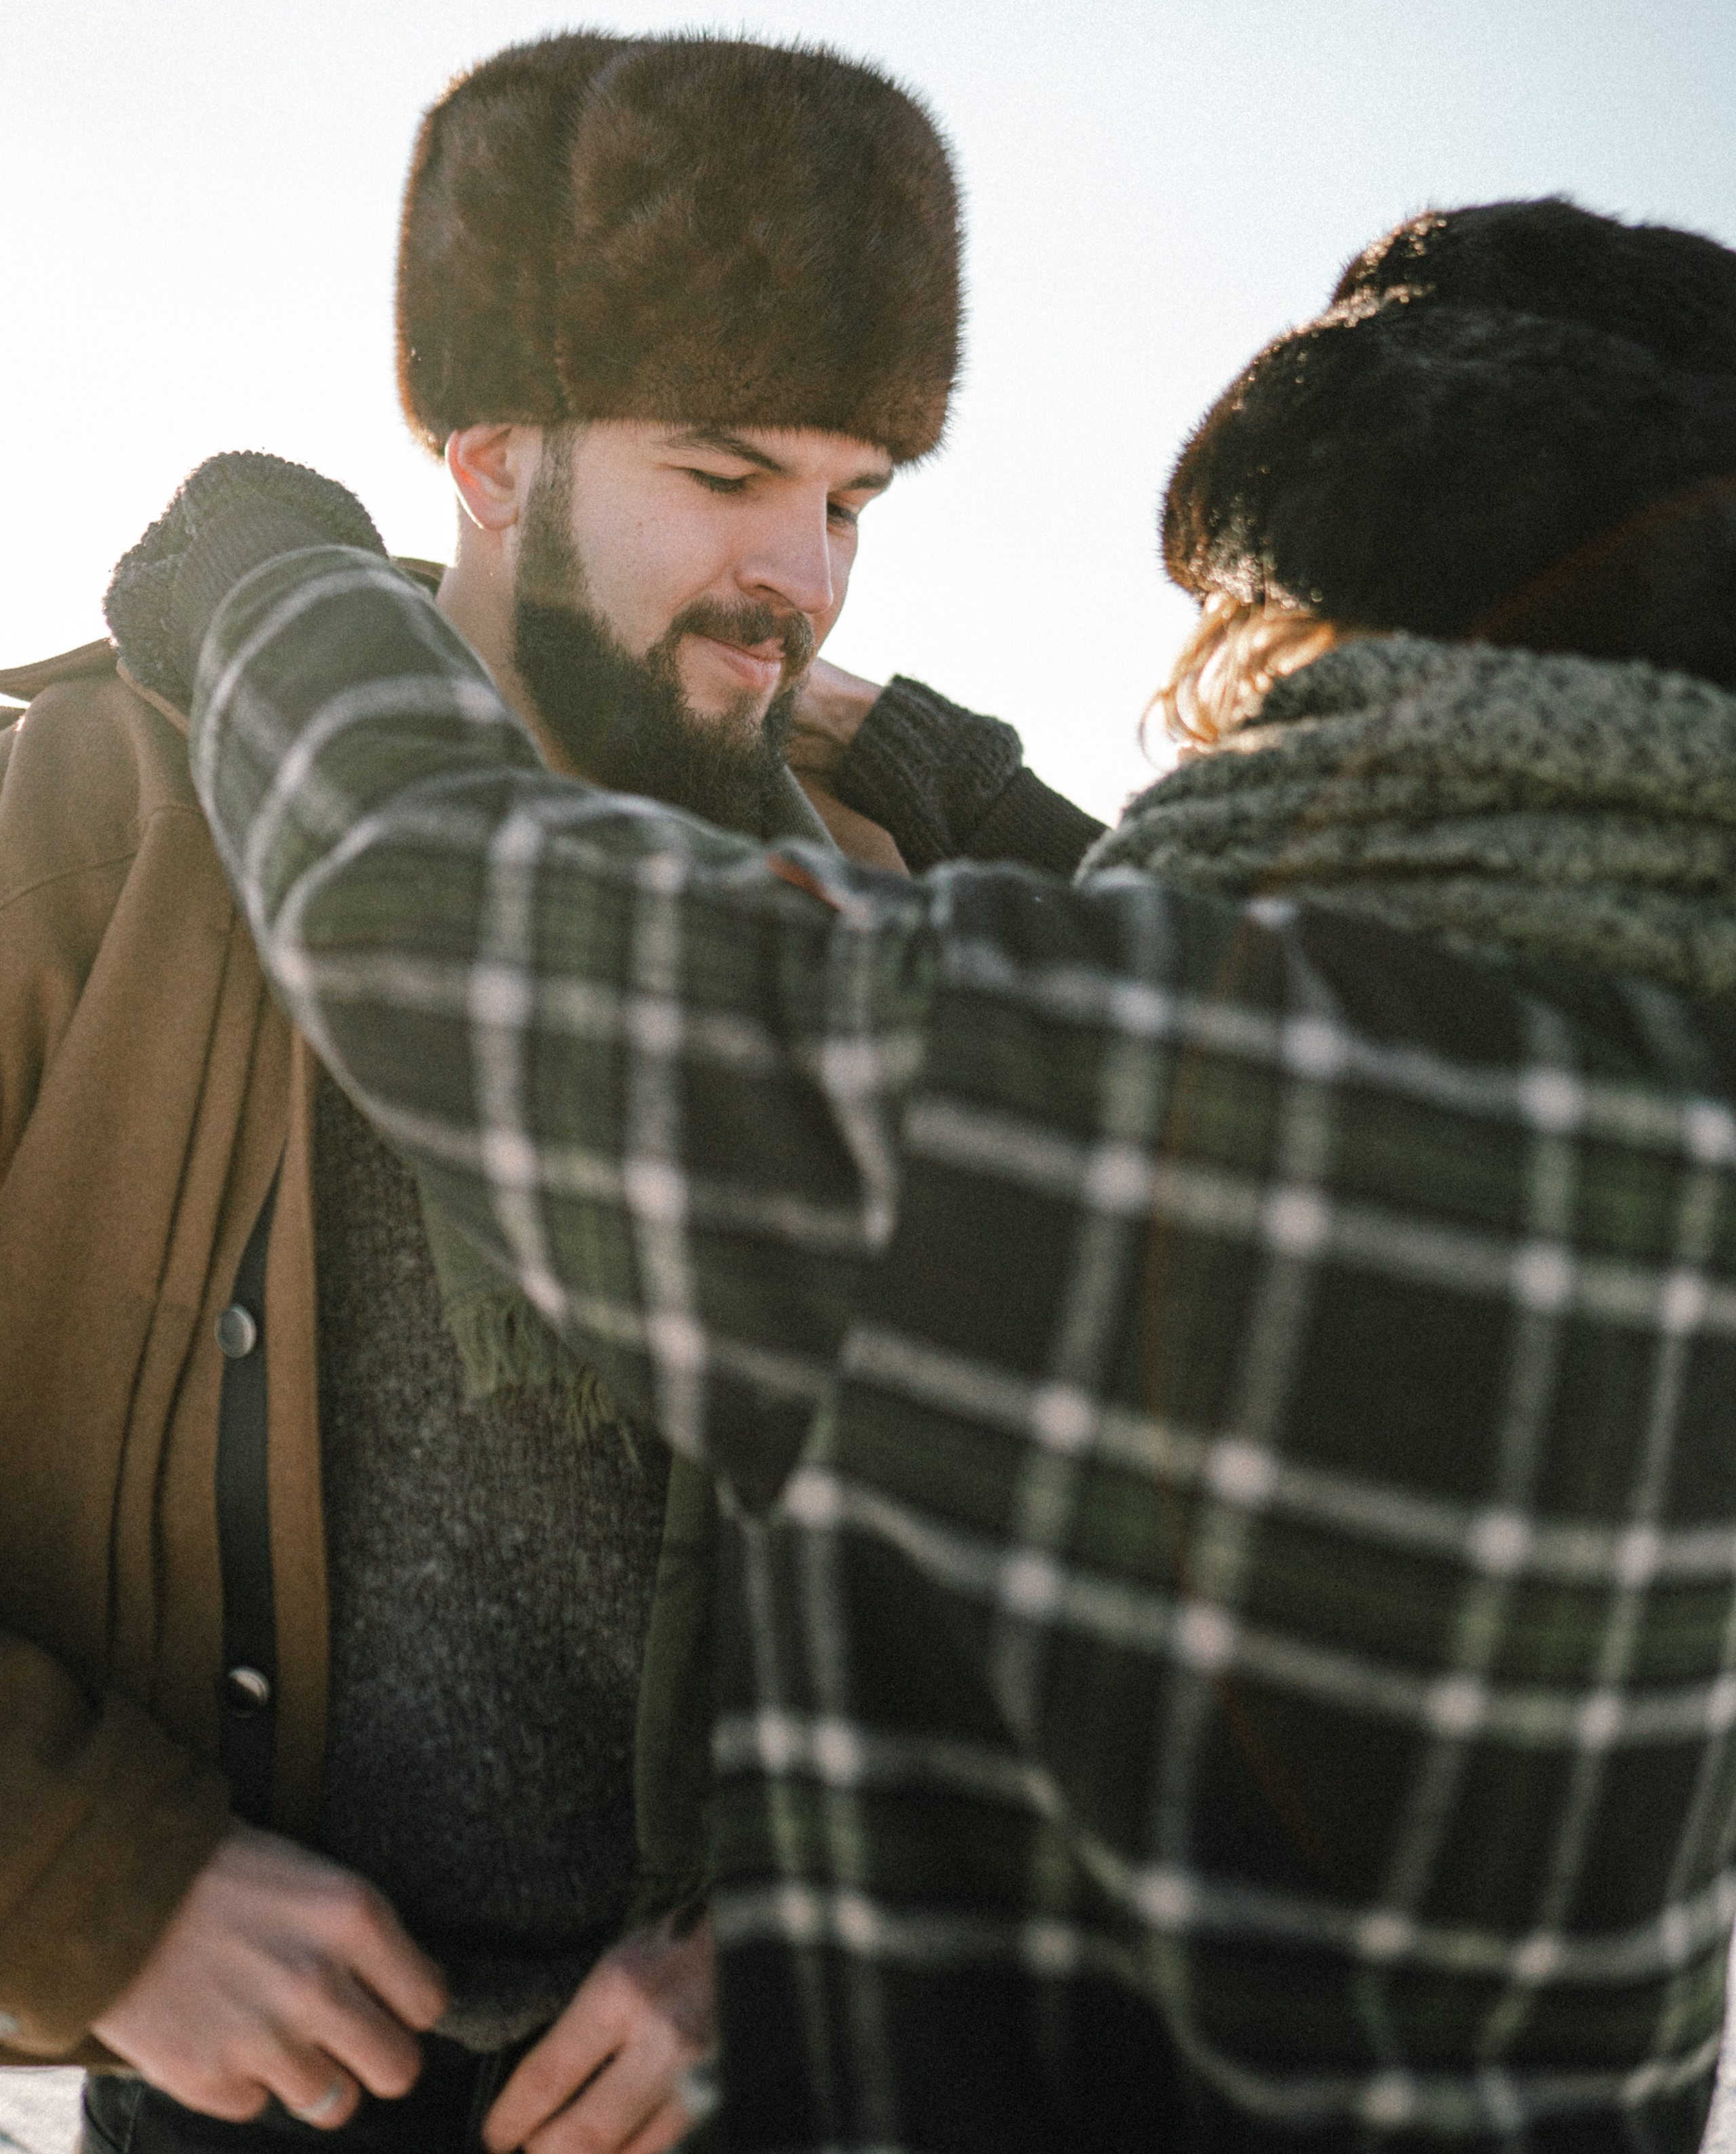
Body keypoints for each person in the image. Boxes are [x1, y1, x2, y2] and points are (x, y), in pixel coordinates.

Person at [109, 195, 1736, 2153]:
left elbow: (419, 890)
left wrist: (263, 565)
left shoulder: (1113, 1079)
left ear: (1324, 645)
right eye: (726, 475)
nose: (799, 569)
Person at [0, 29, 966, 2154]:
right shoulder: (92, 826)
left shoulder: (877, 893)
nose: (802, 578)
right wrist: (83, 1885)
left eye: (850, 501)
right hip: (234, 2104)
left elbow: (1043, 1563)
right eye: (726, 478)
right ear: (493, 448)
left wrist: (805, 1928)